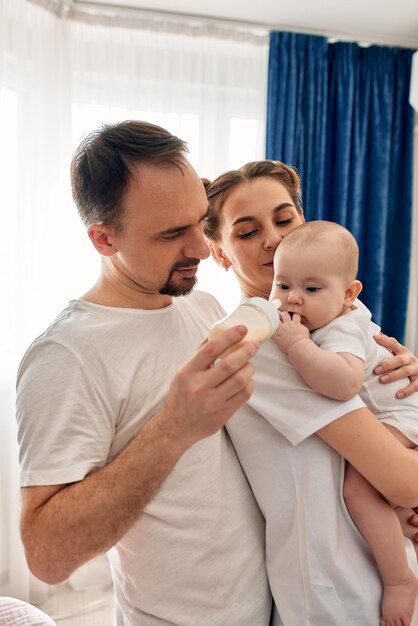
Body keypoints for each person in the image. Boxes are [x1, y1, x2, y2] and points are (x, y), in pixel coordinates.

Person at [16, 121, 273, 626]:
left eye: (200, 221)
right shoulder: (65, 356)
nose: (201, 248)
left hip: (269, 605)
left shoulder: (202, 304)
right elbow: (47, 557)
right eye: (173, 233)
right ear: (103, 239)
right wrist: (174, 428)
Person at [203, 160, 418, 625]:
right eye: (246, 232)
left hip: (373, 563)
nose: (273, 239)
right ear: (218, 252)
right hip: (335, 585)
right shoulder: (261, 336)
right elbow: (405, 480)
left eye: (284, 220)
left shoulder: (329, 313)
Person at [270, 219, 418, 625]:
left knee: (361, 491)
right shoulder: (325, 319)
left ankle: (400, 580)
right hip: (396, 411)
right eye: (283, 286)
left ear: (349, 294)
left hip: (399, 414)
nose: (293, 300)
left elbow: (344, 382)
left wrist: (298, 346)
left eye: (311, 289)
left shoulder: (339, 327)